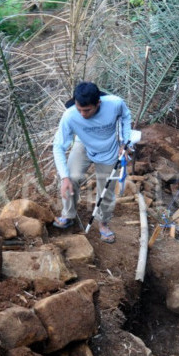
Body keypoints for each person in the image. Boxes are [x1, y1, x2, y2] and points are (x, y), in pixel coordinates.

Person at [52, 81, 132, 243]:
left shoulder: (115, 104)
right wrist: (64, 178)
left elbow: (126, 116)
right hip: (83, 144)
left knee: (107, 188)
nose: (82, 114)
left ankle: (103, 223)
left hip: (109, 147)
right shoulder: (70, 115)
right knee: (71, 177)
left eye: (87, 110)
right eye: (79, 109)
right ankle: (68, 214)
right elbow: (58, 146)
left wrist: (125, 142)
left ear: (98, 103)